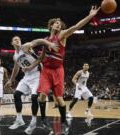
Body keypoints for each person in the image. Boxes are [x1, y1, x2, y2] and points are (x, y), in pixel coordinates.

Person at [36, 6, 100, 134]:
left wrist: (90, 16)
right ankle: (43, 119)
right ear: (51, 26)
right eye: (56, 24)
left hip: (58, 70)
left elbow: (76, 26)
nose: (59, 26)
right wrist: (30, 66)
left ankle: (64, 121)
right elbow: (40, 59)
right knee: (42, 96)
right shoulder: (46, 40)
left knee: (59, 99)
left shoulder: (62, 35)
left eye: (60, 24)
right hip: (47, 70)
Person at [5, 36, 58, 135]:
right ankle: (19, 119)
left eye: (19, 39)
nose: (17, 40)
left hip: (37, 75)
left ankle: (33, 121)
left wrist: (49, 44)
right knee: (16, 94)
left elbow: (38, 41)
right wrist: (11, 80)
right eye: (15, 39)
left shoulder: (25, 47)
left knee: (34, 97)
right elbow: (16, 69)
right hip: (27, 76)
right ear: (12, 43)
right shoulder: (15, 56)